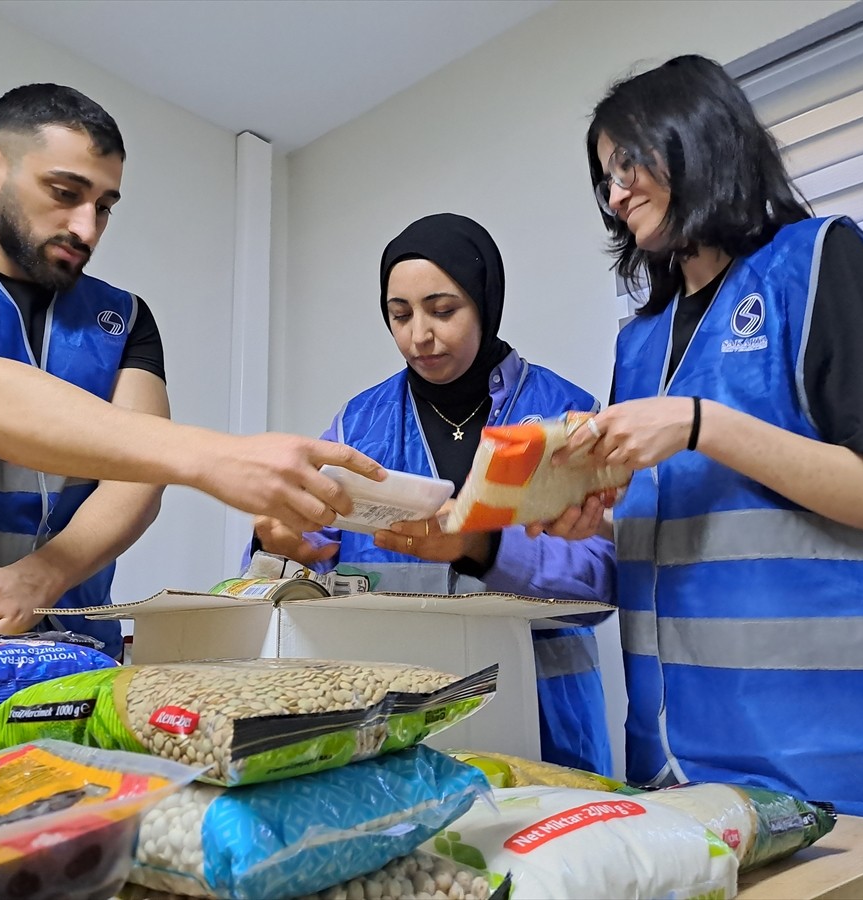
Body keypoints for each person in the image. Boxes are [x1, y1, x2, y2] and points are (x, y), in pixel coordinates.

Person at [0, 83, 381, 659]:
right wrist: (217, 457)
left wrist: (42, 576)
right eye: (64, 193)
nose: (86, 228)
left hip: (71, 649)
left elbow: (137, 478)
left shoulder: (125, 317)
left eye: (104, 207)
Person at [538, 55, 863, 823]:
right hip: (677, 767)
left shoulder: (822, 261)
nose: (616, 192)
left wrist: (701, 422)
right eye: (605, 178)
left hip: (844, 763)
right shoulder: (640, 343)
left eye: (629, 162)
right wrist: (589, 512)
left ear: (699, 138)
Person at [253, 213, 617, 774]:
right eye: (399, 316)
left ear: (485, 301)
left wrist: (485, 549)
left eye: (443, 311)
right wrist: (278, 542)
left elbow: (600, 587)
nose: (418, 335)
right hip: (391, 712)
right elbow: (296, 555)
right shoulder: (358, 423)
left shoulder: (567, 419)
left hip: (542, 718)